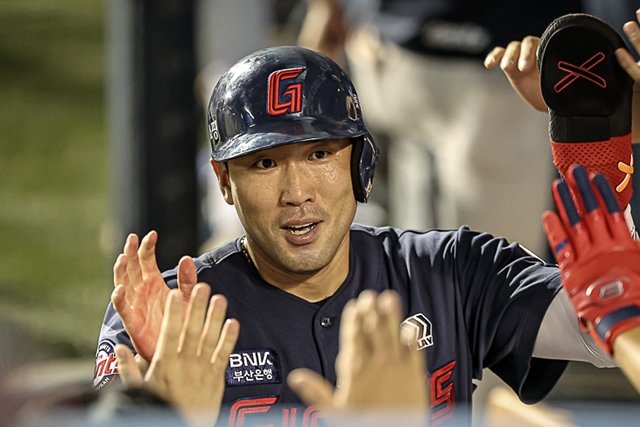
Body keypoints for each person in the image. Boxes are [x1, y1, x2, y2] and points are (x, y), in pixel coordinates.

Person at [95, 45, 617, 426]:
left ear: (361, 163)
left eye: (320, 154)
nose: (296, 191)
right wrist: (156, 415)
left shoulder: (451, 271)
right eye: (265, 162)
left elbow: (610, 328)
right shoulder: (169, 315)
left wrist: (599, 141)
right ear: (225, 181)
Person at [297, 0, 583, 257]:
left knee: (424, 255)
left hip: (397, 49)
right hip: (497, 59)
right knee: (495, 278)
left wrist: (327, 9)